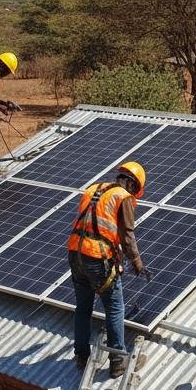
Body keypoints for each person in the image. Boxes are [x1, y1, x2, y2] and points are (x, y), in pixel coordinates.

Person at [67, 161, 149, 378]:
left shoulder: (93, 189)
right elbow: (127, 235)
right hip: (97, 258)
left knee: (83, 307)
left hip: (75, 253)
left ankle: (81, 356)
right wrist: (137, 262)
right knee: (114, 307)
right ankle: (118, 361)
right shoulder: (123, 197)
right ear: (133, 185)